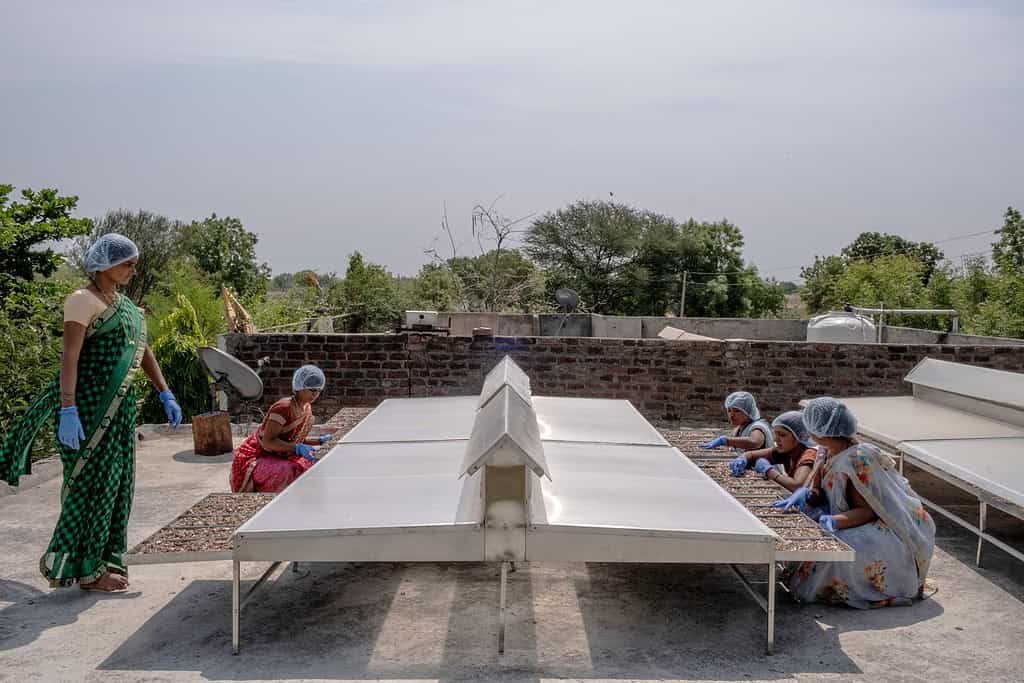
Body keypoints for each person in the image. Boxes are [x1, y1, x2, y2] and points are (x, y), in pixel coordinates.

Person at [0, 233, 182, 592]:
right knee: (90, 487)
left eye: (134, 262)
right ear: (105, 264)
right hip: (86, 409)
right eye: (126, 263)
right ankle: (85, 570)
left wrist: (166, 393)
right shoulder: (82, 301)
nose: (133, 268)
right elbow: (70, 358)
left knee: (117, 486)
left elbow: (143, 351)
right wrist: (68, 408)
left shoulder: (125, 305)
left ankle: (106, 558)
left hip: (120, 412)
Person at [773, 397, 936, 609]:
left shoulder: (855, 461)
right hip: (849, 517)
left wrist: (833, 521)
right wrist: (805, 494)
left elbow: (867, 511)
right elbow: (818, 491)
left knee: (837, 553)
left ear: (821, 430)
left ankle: (873, 587)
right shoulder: (825, 451)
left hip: (884, 528)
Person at [229, 364, 334, 493]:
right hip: (258, 456)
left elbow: (293, 439)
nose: (316, 394)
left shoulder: (306, 408)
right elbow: (268, 442)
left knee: (311, 466)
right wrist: (297, 448)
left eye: (318, 390)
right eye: (312, 390)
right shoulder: (283, 408)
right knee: (289, 470)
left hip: (281, 453)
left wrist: (319, 441)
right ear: (299, 387)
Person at [733, 410, 819, 491]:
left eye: (782, 435)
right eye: (776, 434)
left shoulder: (809, 454)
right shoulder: (788, 451)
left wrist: (769, 471)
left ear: (799, 437)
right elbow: (751, 455)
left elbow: (796, 485)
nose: (776, 440)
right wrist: (742, 459)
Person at [699, 391, 776, 475]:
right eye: (729, 410)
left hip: (772, 474)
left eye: (736, 411)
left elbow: (755, 442)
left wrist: (725, 440)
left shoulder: (758, 426)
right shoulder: (739, 429)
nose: (731, 415)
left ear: (747, 411)